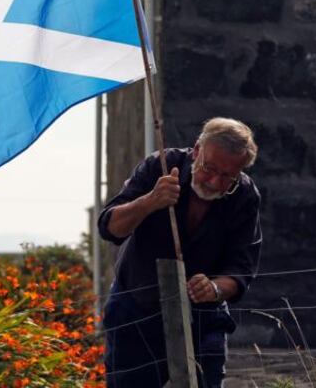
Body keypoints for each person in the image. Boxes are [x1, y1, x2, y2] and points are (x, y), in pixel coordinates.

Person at [98, 117, 262, 388]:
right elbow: (110, 228)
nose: (213, 181)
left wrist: (214, 288)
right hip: (135, 309)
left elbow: (242, 269)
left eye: (227, 177)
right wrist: (151, 200)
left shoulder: (245, 195)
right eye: (208, 168)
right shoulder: (159, 166)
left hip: (203, 319)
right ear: (197, 150)